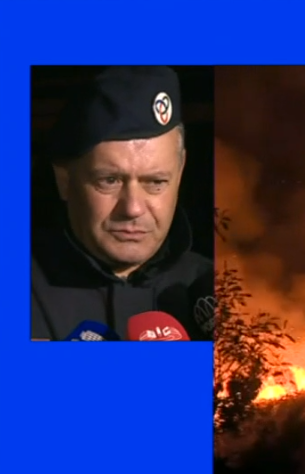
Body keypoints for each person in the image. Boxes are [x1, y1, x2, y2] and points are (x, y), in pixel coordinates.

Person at [31, 66, 213, 340]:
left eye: (155, 182)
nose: (133, 208)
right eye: (110, 180)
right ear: (64, 180)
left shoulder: (218, 293)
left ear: (180, 172)